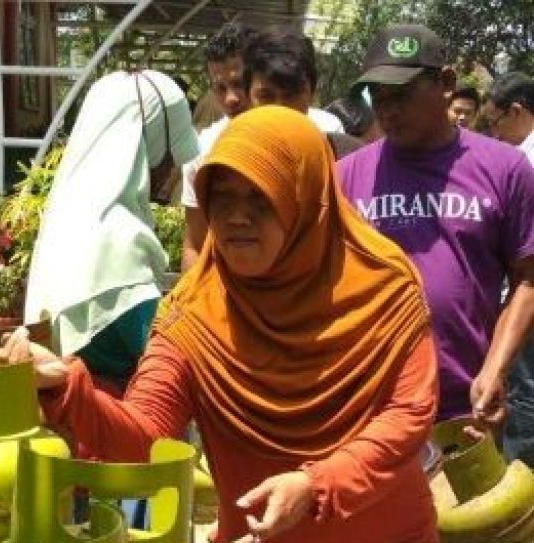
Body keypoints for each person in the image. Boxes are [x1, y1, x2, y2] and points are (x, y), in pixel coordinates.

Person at [0, 106, 474, 543]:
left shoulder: (383, 287)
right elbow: (144, 437)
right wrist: (67, 387)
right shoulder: (195, 313)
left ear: (306, 199)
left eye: (262, 198)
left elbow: (409, 415)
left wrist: (317, 483)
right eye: (223, 198)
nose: (239, 217)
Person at [307, 25, 534, 543]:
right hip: (368, 415)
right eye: (379, 95)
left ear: (443, 83)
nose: (390, 108)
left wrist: (496, 367)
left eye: (405, 93)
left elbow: (528, 276)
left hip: (465, 413)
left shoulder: (503, 170)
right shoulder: (352, 177)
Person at [22, 70, 198, 395]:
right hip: (114, 421)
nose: (172, 168)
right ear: (148, 144)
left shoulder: (74, 213)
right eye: (170, 153)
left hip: (68, 413)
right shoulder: (120, 242)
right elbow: (169, 356)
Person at [179, 26, 344, 270]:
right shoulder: (205, 152)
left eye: (236, 84)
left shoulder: (328, 138)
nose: (231, 99)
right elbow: (195, 246)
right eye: (220, 88)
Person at [482, 71, 534, 468]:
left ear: (516, 111)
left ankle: (521, 477)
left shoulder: (522, 163)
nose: (494, 133)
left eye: (495, 122)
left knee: (524, 392)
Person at [241, 30, 359, 158]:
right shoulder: (230, 164)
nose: (280, 110)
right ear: (248, 97)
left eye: (290, 95)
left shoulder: (349, 159)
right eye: (266, 96)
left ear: (312, 93)